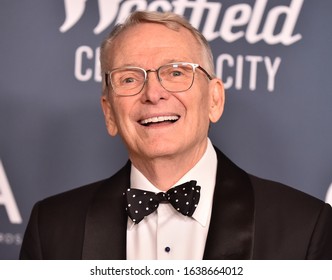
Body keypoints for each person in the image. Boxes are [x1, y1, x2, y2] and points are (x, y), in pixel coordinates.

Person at [20, 11, 332, 260]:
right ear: (109, 113)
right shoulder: (50, 228)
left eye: (176, 72)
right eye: (129, 78)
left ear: (214, 99)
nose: (153, 94)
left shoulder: (305, 227)